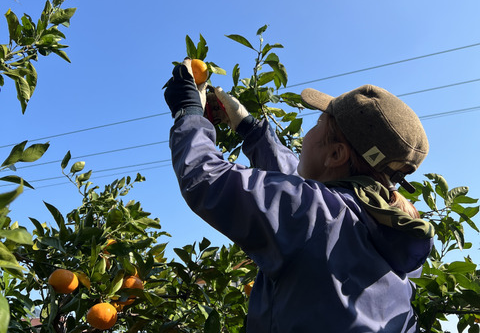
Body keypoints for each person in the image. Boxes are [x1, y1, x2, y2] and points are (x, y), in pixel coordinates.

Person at [164, 58, 434, 332]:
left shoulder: (315, 214)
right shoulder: (391, 228)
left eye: (318, 124)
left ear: (336, 154)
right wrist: (251, 129)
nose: (309, 132)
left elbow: (206, 178)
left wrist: (188, 111)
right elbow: (304, 194)